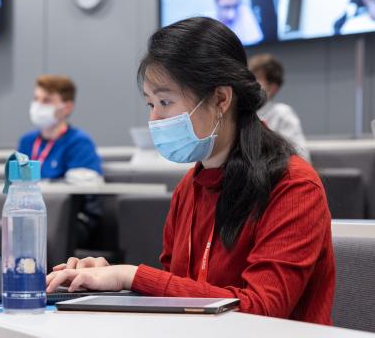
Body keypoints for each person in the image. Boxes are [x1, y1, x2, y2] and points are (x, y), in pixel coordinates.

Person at [46, 17, 334, 325]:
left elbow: (262, 310)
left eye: (165, 101)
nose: (155, 118)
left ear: (221, 98)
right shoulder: (191, 186)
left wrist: (131, 276)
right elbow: (180, 295)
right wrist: (105, 280)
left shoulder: (293, 186)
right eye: (150, 104)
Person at [18, 74, 103, 246]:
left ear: (66, 107)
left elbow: (85, 191)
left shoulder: (79, 142)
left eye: (47, 100)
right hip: (29, 215)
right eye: (36, 98)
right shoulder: (27, 142)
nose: (38, 105)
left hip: (70, 221)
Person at [248, 54, 310, 162]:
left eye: (255, 79)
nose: (248, 84)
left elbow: (301, 158)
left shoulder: (282, 113)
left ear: (272, 88)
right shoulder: (239, 113)